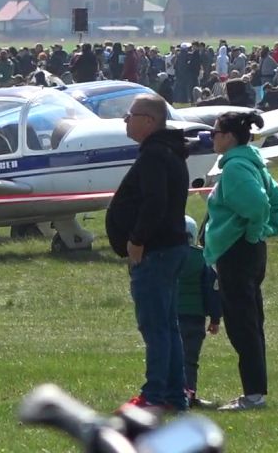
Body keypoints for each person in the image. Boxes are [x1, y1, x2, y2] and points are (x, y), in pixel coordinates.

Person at [105, 94, 191, 413]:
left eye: (131, 115)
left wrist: (137, 239)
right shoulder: (169, 152)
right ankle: (172, 394)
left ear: (149, 121)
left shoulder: (156, 154)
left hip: (156, 251)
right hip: (170, 248)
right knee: (167, 326)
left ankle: (154, 395)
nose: (126, 120)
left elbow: (155, 201)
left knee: (155, 327)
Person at [204, 110, 278, 411]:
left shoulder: (236, 168)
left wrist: (255, 233)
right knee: (251, 322)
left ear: (229, 136)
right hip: (249, 251)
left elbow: (259, 205)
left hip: (238, 251)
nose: (211, 137)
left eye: (215, 132)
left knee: (243, 325)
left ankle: (253, 395)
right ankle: (255, 391)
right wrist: (267, 230)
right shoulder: (253, 164)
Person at [177, 216, 222, 409]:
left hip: (171, 315)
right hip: (195, 317)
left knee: (171, 357)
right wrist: (215, 318)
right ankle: (189, 394)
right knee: (190, 359)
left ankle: (169, 394)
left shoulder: (167, 257)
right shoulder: (202, 257)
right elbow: (212, 290)